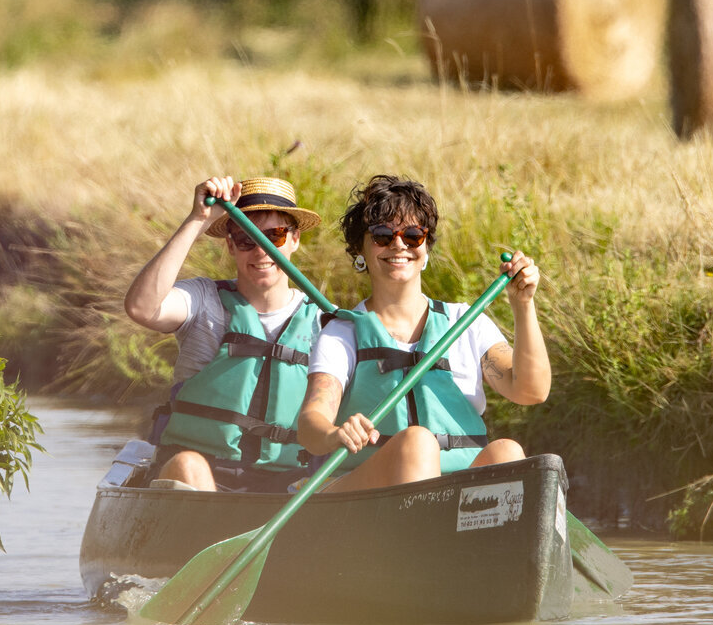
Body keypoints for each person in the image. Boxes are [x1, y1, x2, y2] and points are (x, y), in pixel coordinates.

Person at [296, 174, 547, 490]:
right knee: (417, 443)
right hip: (368, 495)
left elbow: (531, 391)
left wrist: (523, 305)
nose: (398, 244)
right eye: (382, 235)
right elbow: (310, 425)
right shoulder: (341, 333)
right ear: (359, 250)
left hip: (454, 494)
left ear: (426, 248)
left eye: (413, 235)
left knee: (507, 452)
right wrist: (335, 433)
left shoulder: (465, 322)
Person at [124, 175, 325, 491]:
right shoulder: (204, 301)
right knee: (189, 465)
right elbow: (140, 308)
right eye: (247, 239)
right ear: (231, 245)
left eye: (275, 235)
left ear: (295, 239)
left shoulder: (326, 322)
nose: (261, 251)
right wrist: (197, 220)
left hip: (283, 486)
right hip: (201, 480)